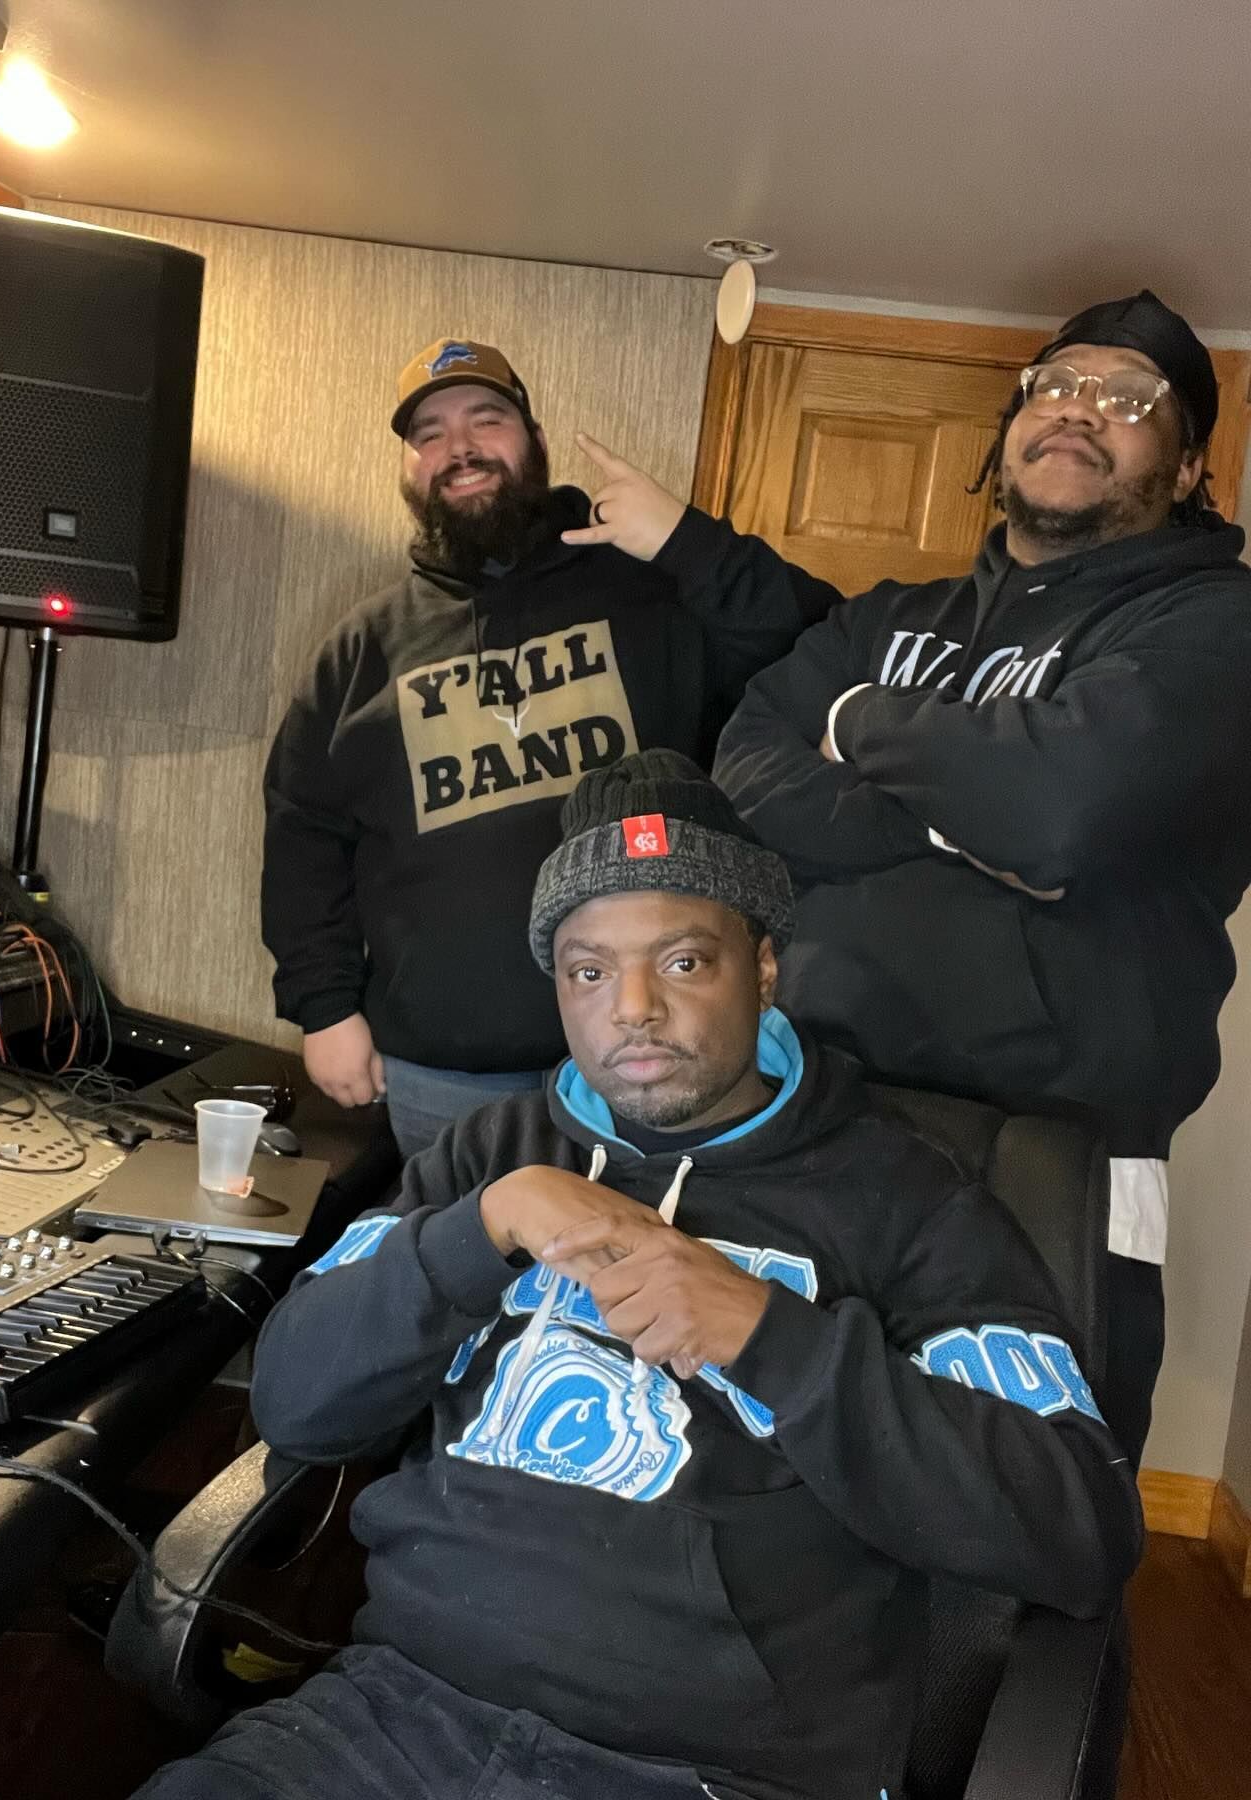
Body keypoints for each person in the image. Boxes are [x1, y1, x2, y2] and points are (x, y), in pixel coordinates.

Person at [140, 751, 1141, 1800]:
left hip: (713, 1771)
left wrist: (772, 1338)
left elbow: (1077, 1525)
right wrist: (479, 1231)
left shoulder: (909, 1196)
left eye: (682, 963)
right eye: (588, 970)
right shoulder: (489, 1157)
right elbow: (297, 1406)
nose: (632, 1010)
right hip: (392, 1718)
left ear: (762, 967)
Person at [562, 291, 1251, 1469]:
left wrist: (862, 719)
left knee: (1023, 1510)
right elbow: (750, 768)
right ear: (1010, 428)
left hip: (1049, 1158)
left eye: (1130, 402)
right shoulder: (892, 617)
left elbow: (1062, 804)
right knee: (771, 1480)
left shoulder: (1216, 623)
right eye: (1058, 384)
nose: (1082, 411)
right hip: (811, 1124)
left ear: (1187, 468)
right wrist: (954, 823)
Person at [262, 338, 834, 1159]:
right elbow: (302, 834)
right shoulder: (363, 649)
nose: (457, 447)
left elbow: (822, 639)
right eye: (429, 433)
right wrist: (324, 1008)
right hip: (446, 1080)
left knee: (645, 1280)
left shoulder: (647, 588)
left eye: (485, 419)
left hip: (654, 1060)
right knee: (462, 1276)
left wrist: (684, 540)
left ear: (532, 440)